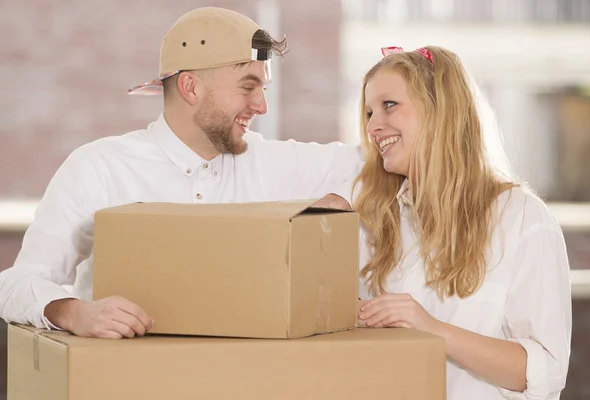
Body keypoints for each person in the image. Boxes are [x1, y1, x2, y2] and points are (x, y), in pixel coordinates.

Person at [0, 7, 362, 339]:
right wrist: (74, 313)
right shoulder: (100, 168)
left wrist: (342, 197)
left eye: (263, 88)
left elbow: (382, 162)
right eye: (248, 87)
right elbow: (16, 283)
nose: (262, 105)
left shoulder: (275, 162)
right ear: (191, 87)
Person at [353, 45, 571, 400]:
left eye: (389, 105)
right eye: (368, 112)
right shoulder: (375, 223)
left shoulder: (521, 219)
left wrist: (432, 329)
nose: (373, 126)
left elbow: (545, 371)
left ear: (440, 111)